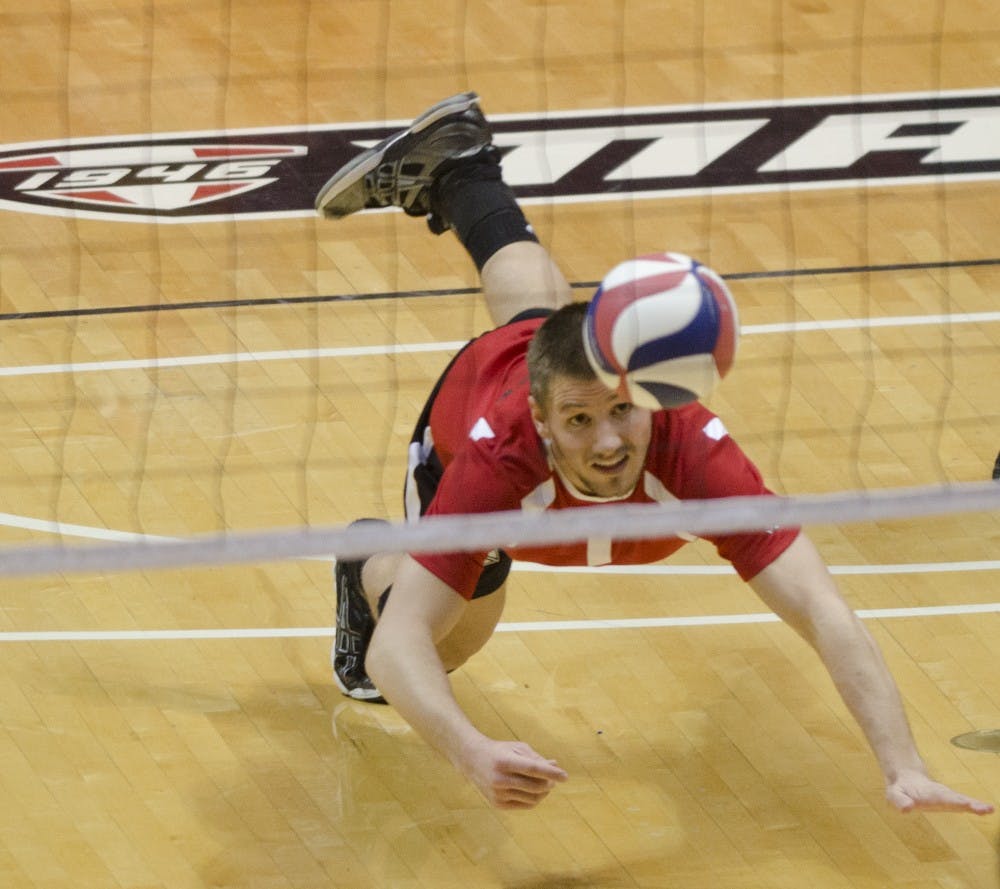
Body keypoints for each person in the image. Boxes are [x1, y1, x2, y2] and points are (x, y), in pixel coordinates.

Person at [315, 92, 995, 815]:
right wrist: (469, 747)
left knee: (542, 320)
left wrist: (902, 764)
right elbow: (398, 649)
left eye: (621, 409)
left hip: (549, 367)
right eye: (579, 421)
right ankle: (369, 558)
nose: (609, 441)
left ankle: (463, 172)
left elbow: (823, 608)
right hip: (469, 418)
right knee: (441, 652)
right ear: (544, 425)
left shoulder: (691, 449)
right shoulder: (494, 465)